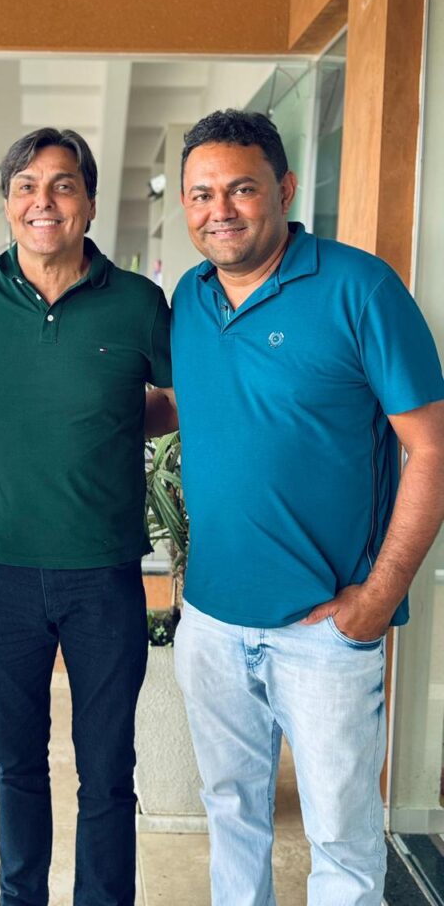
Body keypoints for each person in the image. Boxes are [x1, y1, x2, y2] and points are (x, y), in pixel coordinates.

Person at [163, 109, 444, 905]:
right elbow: (199, 407)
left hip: (325, 630)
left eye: (242, 189)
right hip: (211, 622)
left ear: (285, 189)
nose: (220, 210)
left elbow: (432, 449)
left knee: (342, 840)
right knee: (232, 816)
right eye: (202, 194)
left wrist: (378, 598)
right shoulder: (190, 297)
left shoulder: (361, 288)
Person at [0, 127, 173, 906]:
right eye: (27, 186)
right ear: (8, 205)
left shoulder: (137, 303)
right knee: (17, 764)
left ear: (90, 203)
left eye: (64, 185)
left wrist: (111, 423)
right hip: (5, 573)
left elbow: (182, 398)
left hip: (105, 576)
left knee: (108, 770)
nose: (45, 201)